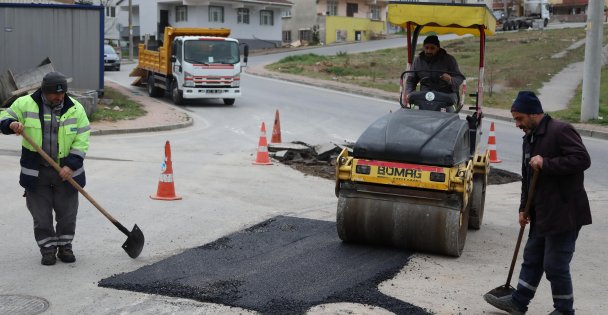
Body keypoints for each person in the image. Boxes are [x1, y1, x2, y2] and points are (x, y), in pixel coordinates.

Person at [484, 91, 592, 315]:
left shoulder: (561, 131)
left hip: (565, 211)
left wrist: (547, 163)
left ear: (534, 114)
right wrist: (524, 208)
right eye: (515, 119)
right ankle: (518, 301)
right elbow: (528, 177)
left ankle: (564, 310)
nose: (517, 124)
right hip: (542, 211)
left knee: (555, 264)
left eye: (519, 118)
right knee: (532, 258)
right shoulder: (530, 138)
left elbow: (582, 159)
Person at [0, 71, 91, 266]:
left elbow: (82, 140)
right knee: (41, 216)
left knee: (67, 214)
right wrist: (11, 124)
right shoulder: (25, 103)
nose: (59, 97)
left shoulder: (76, 109)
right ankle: (48, 249)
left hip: (66, 172)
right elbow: (2, 114)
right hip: (37, 172)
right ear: (44, 91)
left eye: (62, 94)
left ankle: (65, 247)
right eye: (55, 94)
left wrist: (71, 165)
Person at [405, 35, 465, 105]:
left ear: (438, 48)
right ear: (423, 47)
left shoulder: (449, 60)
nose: (429, 51)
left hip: (445, 95)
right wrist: (410, 93)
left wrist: (450, 79)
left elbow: (459, 78)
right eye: (426, 48)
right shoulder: (418, 61)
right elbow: (411, 80)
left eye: (432, 48)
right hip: (425, 96)